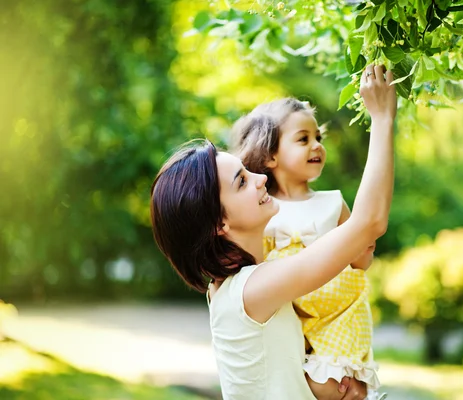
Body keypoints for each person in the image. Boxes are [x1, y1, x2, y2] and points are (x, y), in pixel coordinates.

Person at [150, 64, 397, 399]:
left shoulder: (245, 284)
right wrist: (382, 119)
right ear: (219, 224)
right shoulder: (250, 290)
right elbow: (369, 223)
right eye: (241, 181)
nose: (260, 179)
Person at [231, 95, 384, 397]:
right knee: (313, 381)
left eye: (318, 137)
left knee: (333, 381)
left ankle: (350, 375)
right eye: (303, 139)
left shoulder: (332, 202)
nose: (316, 145)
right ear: (271, 156)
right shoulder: (264, 208)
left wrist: (364, 251)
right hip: (292, 319)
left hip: (336, 313)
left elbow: (359, 265)